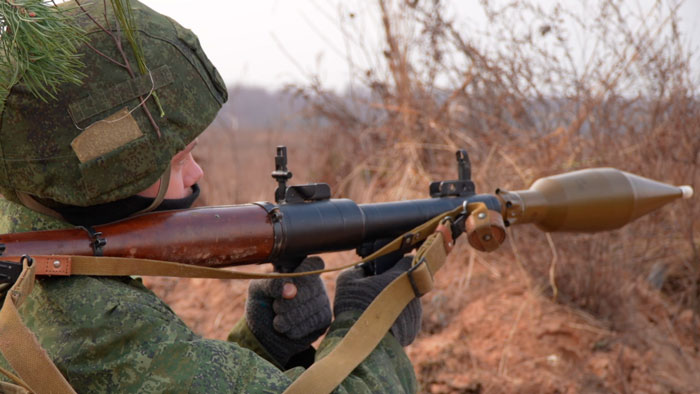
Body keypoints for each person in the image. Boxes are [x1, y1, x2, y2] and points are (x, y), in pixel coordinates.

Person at [0, 1, 422, 392]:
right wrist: (372, 328)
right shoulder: (94, 320)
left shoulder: (28, 235)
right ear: (110, 172)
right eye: (180, 159)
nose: (197, 173)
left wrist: (263, 344)